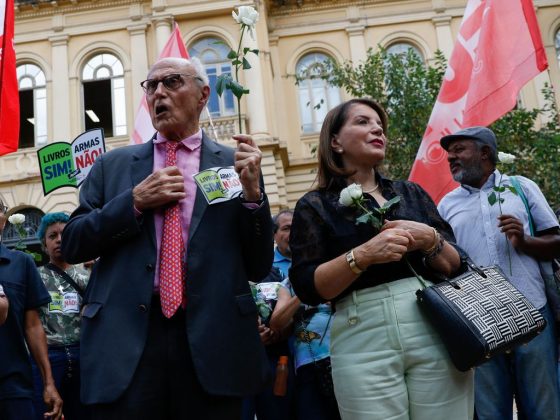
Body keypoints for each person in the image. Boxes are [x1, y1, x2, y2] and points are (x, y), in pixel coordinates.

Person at [61, 57, 273, 420]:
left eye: (172, 82)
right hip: (129, 342)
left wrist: (253, 196)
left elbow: (258, 264)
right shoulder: (113, 166)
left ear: (203, 95)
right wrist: (134, 203)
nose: (158, 92)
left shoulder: (234, 164)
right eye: (151, 85)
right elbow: (73, 242)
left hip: (212, 342)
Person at [289, 98, 474, 420]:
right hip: (362, 339)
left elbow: (456, 265)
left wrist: (430, 239)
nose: (377, 129)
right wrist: (361, 256)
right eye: (362, 122)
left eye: (380, 125)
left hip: (434, 325)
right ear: (335, 141)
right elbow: (308, 287)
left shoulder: (412, 193)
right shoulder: (315, 205)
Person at [437, 126, 560, 420]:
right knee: (490, 413)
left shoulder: (520, 187)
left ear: (485, 153)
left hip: (533, 311)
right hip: (478, 322)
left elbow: (556, 242)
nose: (451, 157)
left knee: (544, 410)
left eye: (459, 150)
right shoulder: (445, 206)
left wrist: (525, 241)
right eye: (449, 153)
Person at [0, 200, 63, 420]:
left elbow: (33, 326)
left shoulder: (22, 263)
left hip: (14, 387)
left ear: (2, 220)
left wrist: (49, 383)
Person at [31, 212, 90, 420]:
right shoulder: (35, 277)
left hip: (82, 355)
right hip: (49, 358)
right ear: (44, 244)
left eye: (64, 234)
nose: (59, 240)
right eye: (52, 236)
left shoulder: (86, 276)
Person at [270, 281, 340, 420]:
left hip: (343, 356)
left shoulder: (337, 269)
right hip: (308, 364)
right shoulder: (288, 284)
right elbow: (276, 323)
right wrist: (304, 290)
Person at [273, 210, 293, 278]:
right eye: (286, 228)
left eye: (297, 227)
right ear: (274, 234)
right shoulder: (266, 266)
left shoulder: (314, 260)